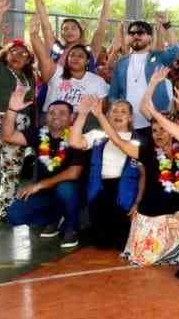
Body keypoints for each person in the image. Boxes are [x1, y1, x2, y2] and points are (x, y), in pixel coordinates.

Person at [87, 93, 179, 266]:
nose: (158, 134)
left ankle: (173, 249)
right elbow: (118, 141)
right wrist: (101, 116)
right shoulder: (147, 152)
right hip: (153, 210)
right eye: (154, 131)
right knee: (145, 251)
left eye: (163, 129)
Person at [2, 91, 85, 247]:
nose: (56, 116)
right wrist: (12, 110)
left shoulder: (77, 137)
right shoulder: (38, 133)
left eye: (62, 113)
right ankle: (54, 218)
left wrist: (39, 185)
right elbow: (8, 136)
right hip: (46, 195)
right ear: (46, 116)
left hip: (70, 193)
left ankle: (70, 227)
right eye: (51, 112)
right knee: (14, 214)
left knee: (65, 189)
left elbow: (74, 173)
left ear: (72, 118)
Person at [0, 0, 35, 231]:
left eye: (23, 54)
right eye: (14, 51)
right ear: (6, 54)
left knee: (13, 171)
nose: (18, 55)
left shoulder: (29, 79)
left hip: (18, 126)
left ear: (28, 60)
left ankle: (7, 212)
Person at [68, 97, 143, 250]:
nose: (118, 114)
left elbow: (144, 174)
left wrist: (138, 202)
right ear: (108, 115)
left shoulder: (138, 140)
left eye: (123, 111)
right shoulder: (97, 134)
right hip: (99, 189)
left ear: (130, 118)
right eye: (114, 110)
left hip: (124, 193)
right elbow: (74, 142)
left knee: (121, 244)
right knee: (100, 244)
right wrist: (82, 115)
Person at [108, 20, 179, 131]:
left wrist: (167, 24)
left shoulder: (159, 58)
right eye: (132, 33)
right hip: (127, 125)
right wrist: (117, 117)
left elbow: (176, 48)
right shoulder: (121, 63)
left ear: (149, 37)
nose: (136, 36)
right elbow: (113, 95)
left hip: (155, 124)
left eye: (140, 33)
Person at [29, 17, 108, 116]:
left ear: (88, 61)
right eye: (72, 55)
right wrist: (34, 35)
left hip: (83, 124)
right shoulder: (56, 73)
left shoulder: (98, 81)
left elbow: (102, 109)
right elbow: (43, 56)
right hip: (53, 120)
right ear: (67, 59)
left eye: (80, 56)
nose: (76, 58)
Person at [33, 0, 111, 70]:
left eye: (73, 28)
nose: (69, 31)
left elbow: (101, 28)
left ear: (80, 31)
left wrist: (107, 3)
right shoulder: (56, 49)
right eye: (65, 29)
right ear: (62, 33)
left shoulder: (90, 51)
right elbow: (44, 22)